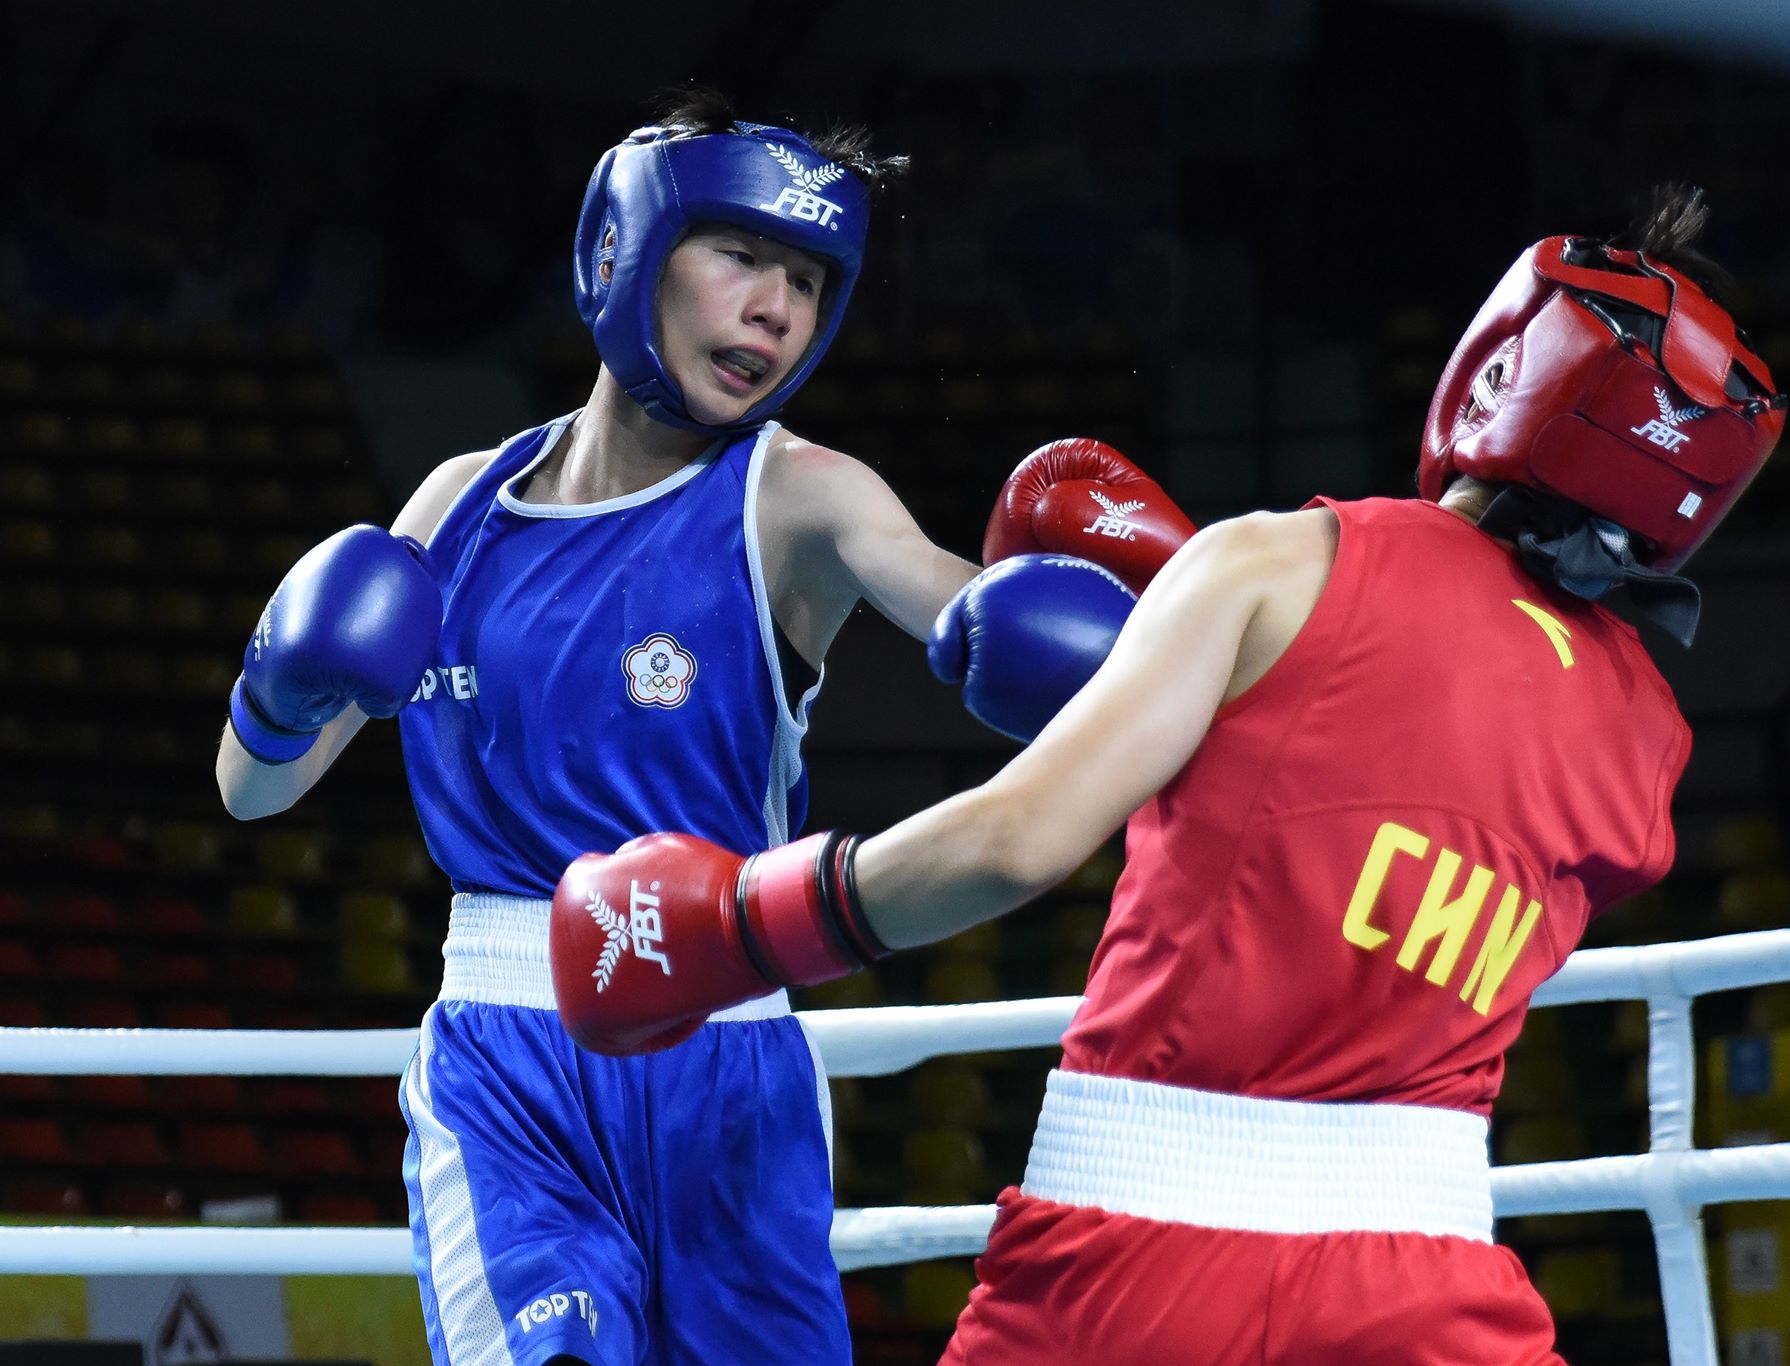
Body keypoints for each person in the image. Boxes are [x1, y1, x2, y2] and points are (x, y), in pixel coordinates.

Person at [548, 186, 1788, 1364]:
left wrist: (732, 926)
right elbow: (1397, 816)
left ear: (1503, 363)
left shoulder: (1272, 562)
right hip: (1428, 1277)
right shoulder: (1647, 743)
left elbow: (1012, 843)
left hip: (1130, 1254)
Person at [213, 88, 1193, 1366]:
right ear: (623, 249)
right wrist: (281, 687)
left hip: (732, 1057)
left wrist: (1163, 632)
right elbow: (252, 791)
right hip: (511, 1066)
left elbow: (960, 605)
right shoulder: (457, 507)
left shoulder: (798, 496)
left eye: (805, 279)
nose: (775, 310)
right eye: (739, 255)